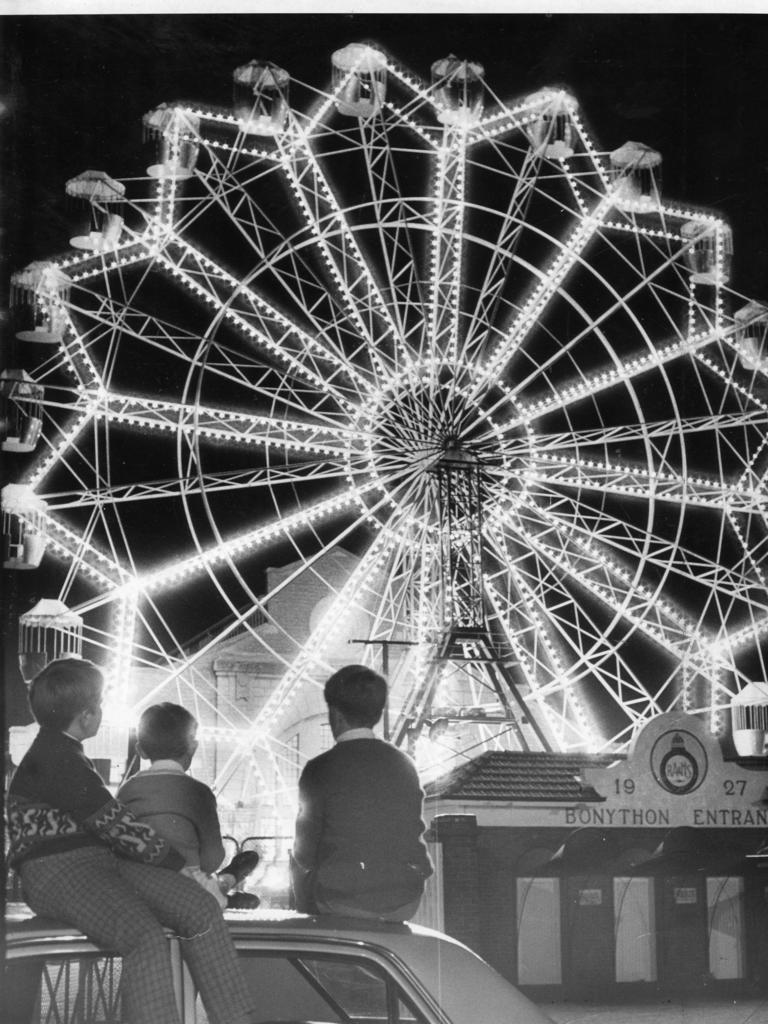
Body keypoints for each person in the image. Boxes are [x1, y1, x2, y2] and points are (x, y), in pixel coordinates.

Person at [6, 657, 253, 1024]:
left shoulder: (60, 753)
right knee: (144, 937)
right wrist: (183, 870)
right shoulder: (58, 759)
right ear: (87, 716)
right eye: (100, 704)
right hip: (58, 873)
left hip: (95, 864)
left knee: (199, 907)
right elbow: (119, 827)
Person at [290, 664, 433, 921]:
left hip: (343, 896)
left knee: (297, 867)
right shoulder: (403, 764)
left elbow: (305, 853)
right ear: (378, 714)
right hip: (404, 897)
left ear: (335, 714)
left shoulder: (319, 769)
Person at [118, 702, 260, 909]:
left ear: (140, 750)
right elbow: (213, 856)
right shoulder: (199, 793)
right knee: (201, 884)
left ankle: (225, 888)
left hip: (137, 888)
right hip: (186, 890)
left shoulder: (127, 790)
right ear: (193, 746)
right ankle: (227, 884)